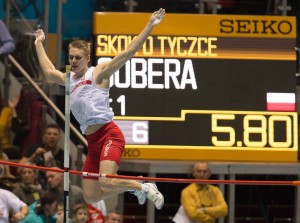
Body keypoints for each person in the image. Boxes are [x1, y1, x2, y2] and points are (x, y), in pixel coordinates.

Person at [34, 8, 165, 209]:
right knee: (91, 196)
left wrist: (150, 25)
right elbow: (49, 72)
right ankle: (137, 185)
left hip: (109, 135)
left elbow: (128, 52)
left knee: (106, 181)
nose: (74, 61)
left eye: (78, 57)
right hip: (93, 142)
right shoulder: (69, 80)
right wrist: (38, 44)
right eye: (71, 58)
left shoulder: (99, 73)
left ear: (87, 58)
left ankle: (145, 186)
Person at [19, 123, 65, 188]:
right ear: (44, 136)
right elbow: (19, 169)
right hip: (33, 187)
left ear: (59, 137)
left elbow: (66, 179)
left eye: (55, 134)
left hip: (54, 188)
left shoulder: (64, 155)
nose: (52, 136)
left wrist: (53, 165)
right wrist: (34, 155)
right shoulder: (34, 149)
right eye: (49, 134)